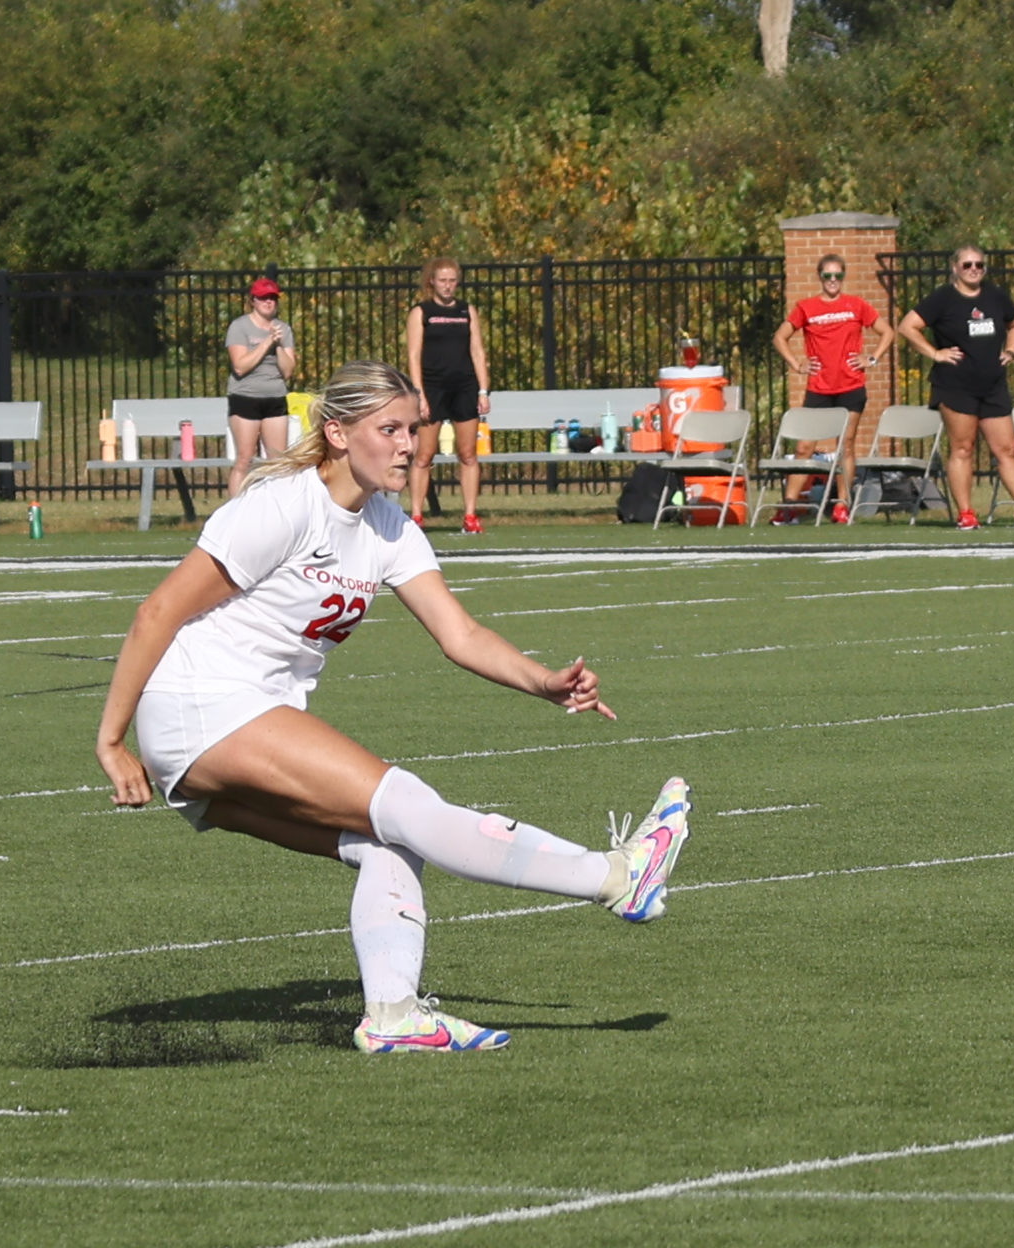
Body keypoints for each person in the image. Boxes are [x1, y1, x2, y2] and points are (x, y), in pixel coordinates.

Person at [94, 360, 692, 1053]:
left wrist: (545, 682)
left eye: (415, 429)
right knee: (407, 802)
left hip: (234, 719)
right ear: (338, 432)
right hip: (202, 706)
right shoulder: (282, 505)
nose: (410, 445)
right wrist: (111, 742)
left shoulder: (390, 528)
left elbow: (459, 634)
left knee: (388, 842)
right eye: (391, 429)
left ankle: (393, 1015)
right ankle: (617, 878)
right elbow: (157, 611)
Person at [897, 246, 1014, 530]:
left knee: (1007, 449)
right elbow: (907, 326)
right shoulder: (943, 298)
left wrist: (1012, 350)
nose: (974, 269)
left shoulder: (995, 295)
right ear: (955, 267)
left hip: (992, 385)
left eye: (979, 264)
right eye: (967, 264)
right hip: (955, 386)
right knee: (963, 448)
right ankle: (966, 513)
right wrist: (935, 354)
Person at [770, 255, 895, 525]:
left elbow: (887, 332)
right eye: (828, 276)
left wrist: (871, 358)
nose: (833, 281)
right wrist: (797, 364)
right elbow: (780, 337)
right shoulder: (806, 307)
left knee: (846, 446)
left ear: (844, 277)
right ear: (820, 277)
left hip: (851, 386)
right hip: (819, 387)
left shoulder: (856, 305)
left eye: (838, 275)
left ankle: (842, 504)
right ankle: (788, 506)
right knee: (804, 447)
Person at [404, 258, 491, 534]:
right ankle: (416, 516)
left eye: (452, 280)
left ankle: (470, 516)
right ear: (432, 281)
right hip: (432, 388)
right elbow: (414, 355)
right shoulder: (421, 312)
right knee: (424, 456)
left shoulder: (467, 311)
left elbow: (477, 351)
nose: (448, 285)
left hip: (464, 387)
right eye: (443, 280)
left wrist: (483, 390)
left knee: (467, 454)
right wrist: (419, 394)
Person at [224, 277, 296, 497]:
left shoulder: (283, 330)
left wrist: (279, 346)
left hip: (274, 397)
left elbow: (288, 371)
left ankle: (276, 508)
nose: (269, 302)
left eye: (273, 298)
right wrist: (266, 343)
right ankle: (235, 510)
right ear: (252, 301)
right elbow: (240, 366)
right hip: (246, 397)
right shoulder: (240, 327)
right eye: (263, 298)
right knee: (245, 458)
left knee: (278, 461)